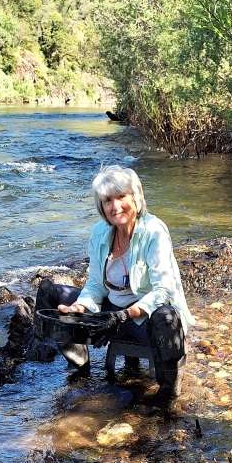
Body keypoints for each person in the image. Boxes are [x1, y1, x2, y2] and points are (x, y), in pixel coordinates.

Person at [35, 165, 193, 405]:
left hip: (146, 321)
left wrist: (125, 315)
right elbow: (96, 285)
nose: (115, 206)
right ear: (101, 206)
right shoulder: (100, 233)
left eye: (121, 197)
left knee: (166, 316)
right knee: (51, 293)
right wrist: (81, 306)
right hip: (112, 314)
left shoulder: (154, 231)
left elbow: (164, 290)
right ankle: (79, 367)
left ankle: (168, 392)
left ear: (136, 198)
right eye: (108, 200)